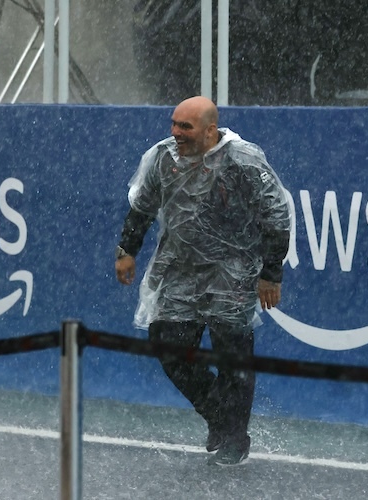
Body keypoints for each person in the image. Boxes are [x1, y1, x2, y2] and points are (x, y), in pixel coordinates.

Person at [115, 96, 291, 466]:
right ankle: (220, 416)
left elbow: (277, 215)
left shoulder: (243, 160)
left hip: (234, 272)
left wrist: (270, 273)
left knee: (233, 359)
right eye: (174, 124)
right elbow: (143, 205)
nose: (176, 133)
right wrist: (127, 250)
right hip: (180, 270)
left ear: (211, 130)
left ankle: (233, 438)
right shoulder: (163, 158)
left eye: (186, 127)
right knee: (167, 345)